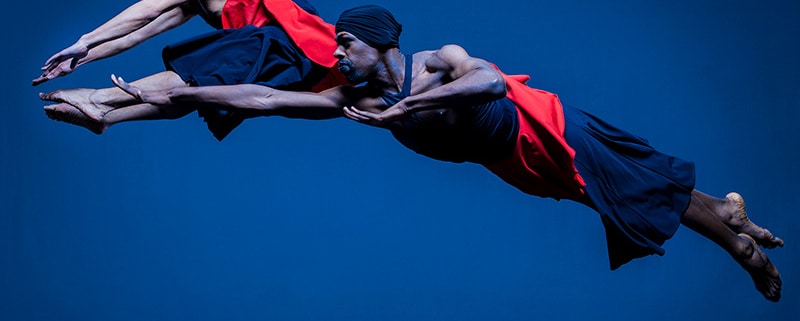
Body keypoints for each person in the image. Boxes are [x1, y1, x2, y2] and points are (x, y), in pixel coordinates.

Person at [110, 5, 783, 301]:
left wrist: (414, 106)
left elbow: (488, 79)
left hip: (541, 126)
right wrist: (192, 92)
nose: (337, 54)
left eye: (348, 44)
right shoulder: (359, 100)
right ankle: (731, 213)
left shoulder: (435, 62)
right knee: (620, 193)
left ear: (380, 42)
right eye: (338, 45)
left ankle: (739, 244)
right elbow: (268, 99)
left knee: (629, 182)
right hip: (512, 165)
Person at [37, 0, 346, 140]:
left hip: (290, 45)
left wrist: (85, 40)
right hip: (283, 61)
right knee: (200, 89)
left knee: (195, 74)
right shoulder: (189, 5)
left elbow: (147, 10)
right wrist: (82, 56)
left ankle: (98, 101)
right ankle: (109, 116)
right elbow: (138, 32)